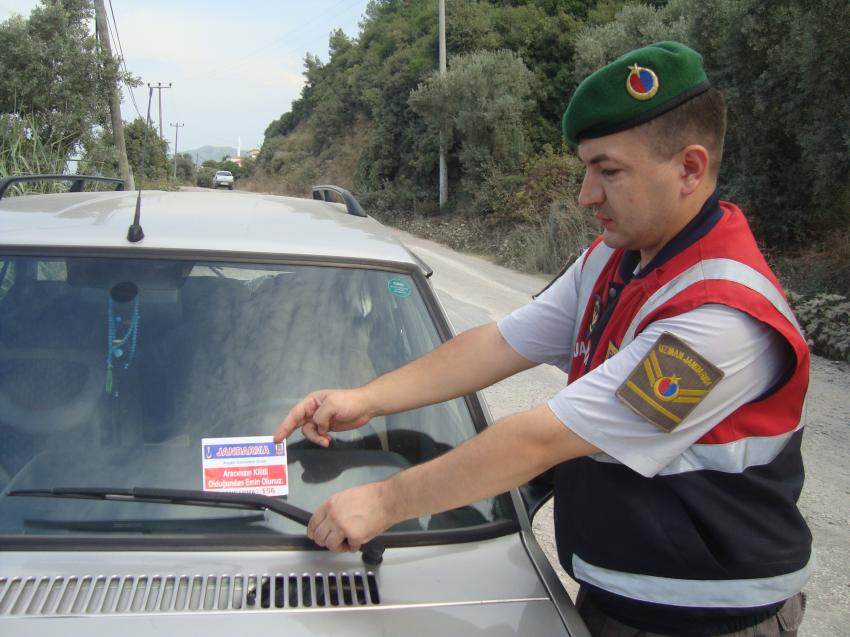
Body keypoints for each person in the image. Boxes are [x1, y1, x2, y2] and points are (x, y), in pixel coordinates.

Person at [274, 41, 811, 636]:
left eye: (608, 171)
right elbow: (500, 344)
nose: (586, 195)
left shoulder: (722, 321)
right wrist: (365, 399)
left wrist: (381, 504)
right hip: (623, 598)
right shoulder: (614, 260)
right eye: (586, 169)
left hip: (708, 618)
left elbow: (540, 440)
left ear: (689, 168)